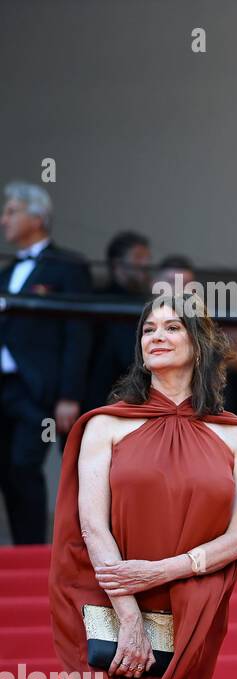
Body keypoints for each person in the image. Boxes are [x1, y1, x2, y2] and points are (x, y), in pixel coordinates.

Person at [23, 291, 237, 679]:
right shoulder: (104, 425)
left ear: (199, 343)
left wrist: (163, 570)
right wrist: (128, 612)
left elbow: (236, 538)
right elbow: (91, 525)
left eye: (171, 326)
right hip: (109, 612)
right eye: (148, 328)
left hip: (189, 616)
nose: (155, 334)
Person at [0, 181, 93, 543]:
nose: (4, 219)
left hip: (39, 389)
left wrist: (69, 394)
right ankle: (22, 547)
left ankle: (33, 552)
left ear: (37, 217)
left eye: (10, 211)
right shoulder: (6, 273)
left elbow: (78, 331)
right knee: (7, 471)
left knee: (24, 466)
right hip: (4, 386)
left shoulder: (68, 266)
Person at [85, 230, 152, 413]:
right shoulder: (96, 302)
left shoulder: (148, 306)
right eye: (139, 257)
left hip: (136, 400)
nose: (146, 263)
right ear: (117, 264)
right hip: (96, 398)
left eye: (147, 257)